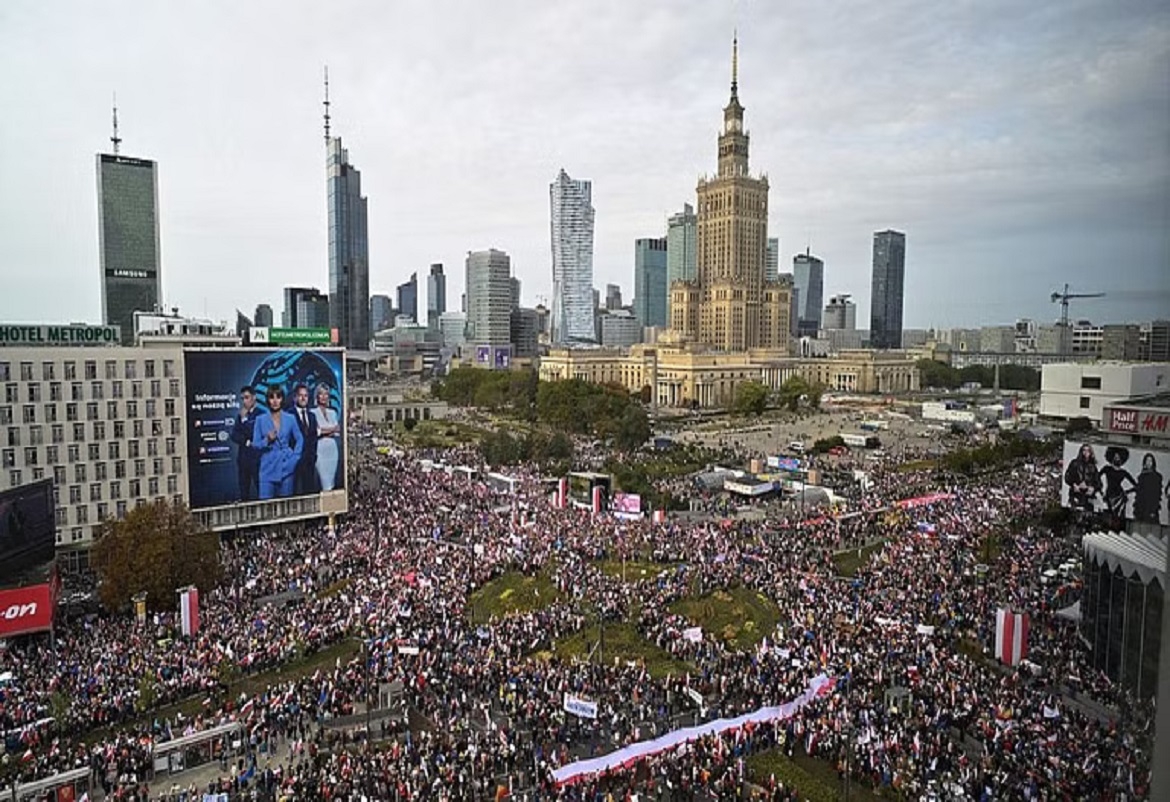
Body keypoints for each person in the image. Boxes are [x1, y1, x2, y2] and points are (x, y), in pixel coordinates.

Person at [251, 386, 303, 500]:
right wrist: (267, 440)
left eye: (278, 397)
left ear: (282, 399)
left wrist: (295, 458)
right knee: (266, 507)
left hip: (286, 466)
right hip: (267, 468)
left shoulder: (290, 418)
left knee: (286, 507)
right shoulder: (260, 419)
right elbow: (255, 444)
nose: (275, 401)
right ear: (267, 400)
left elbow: (300, 439)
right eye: (271, 397)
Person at [230, 386, 263, 502]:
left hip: (257, 459)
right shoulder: (241, 415)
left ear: (254, 398)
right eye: (242, 398)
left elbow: (255, 433)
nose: (244, 401)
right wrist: (246, 441)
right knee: (244, 493)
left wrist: (244, 421)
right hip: (243, 460)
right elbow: (234, 435)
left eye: (247, 398)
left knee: (261, 490)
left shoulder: (261, 414)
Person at [312, 383, 341, 492]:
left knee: (331, 482)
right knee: (325, 482)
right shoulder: (312, 413)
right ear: (317, 396)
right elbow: (317, 432)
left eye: (326, 394)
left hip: (332, 451)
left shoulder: (332, 413)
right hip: (320, 451)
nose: (324, 397)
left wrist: (325, 430)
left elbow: (338, 431)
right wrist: (331, 429)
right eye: (321, 394)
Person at [291, 384, 318, 496]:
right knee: (293, 492)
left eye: (306, 396)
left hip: (309, 462)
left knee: (309, 492)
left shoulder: (312, 416)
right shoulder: (288, 415)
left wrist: (313, 456)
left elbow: (314, 438)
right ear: (295, 397)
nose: (303, 398)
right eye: (300, 395)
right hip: (294, 462)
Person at [1100, 446, 1135, 526]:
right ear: (1111, 457)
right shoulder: (1107, 468)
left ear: (1122, 459)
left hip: (1120, 497)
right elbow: (1096, 478)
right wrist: (1100, 490)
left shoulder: (1123, 472)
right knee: (1108, 518)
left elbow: (1136, 486)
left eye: (1119, 457)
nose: (1117, 459)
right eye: (1115, 457)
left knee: (1119, 518)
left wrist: (1126, 492)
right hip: (1109, 496)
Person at [1063, 443, 1100, 512]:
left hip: (1088, 496)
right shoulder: (1075, 463)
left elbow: (1098, 482)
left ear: (1090, 453)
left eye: (1088, 451)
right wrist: (1074, 485)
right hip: (1076, 494)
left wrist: (1092, 488)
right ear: (1081, 451)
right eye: (1084, 450)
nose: (1086, 453)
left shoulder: (1093, 467)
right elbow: (1067, 477)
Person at [1132, 453, 1164, 525]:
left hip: (1150, 508)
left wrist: (1153, 510)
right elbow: (1139, 491)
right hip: (1141, 508)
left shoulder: (1157, 477)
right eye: (1147, 461)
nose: (1148, 463)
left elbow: (1157, 494)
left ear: (1153, 463)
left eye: (1150, 461)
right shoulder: (1141, 476)